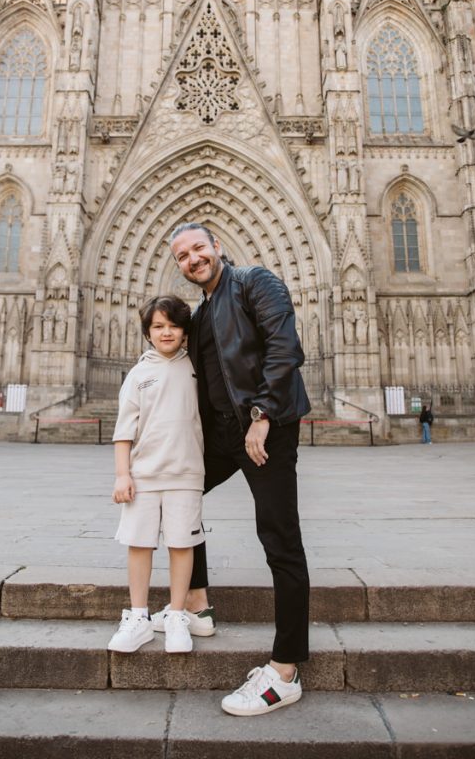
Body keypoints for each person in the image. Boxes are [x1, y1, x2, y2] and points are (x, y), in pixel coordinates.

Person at [154, 221, 311, 716]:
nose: (193, 258)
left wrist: (262, 416)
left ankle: (285, 669)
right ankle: (196, 602)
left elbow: (286, 351)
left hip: (265, 431)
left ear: (217, 247)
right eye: (183, 255)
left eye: (199, 248)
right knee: (177, 492)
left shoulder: (255, 283)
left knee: (279, 540)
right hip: (224, 436)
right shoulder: (200, 315)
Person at [108, 295, 205, 655]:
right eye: (158, 326)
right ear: (148, 333)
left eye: (174, 326)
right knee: (140, 542)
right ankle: (137, 617)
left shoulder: (196, 368)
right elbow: (123, 432)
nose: (166, 332)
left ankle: (176, 615)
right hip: (145, 475)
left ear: (185, 331)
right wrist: (122, 475)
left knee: (182, 544)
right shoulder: (137, 374)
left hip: (186, 474)